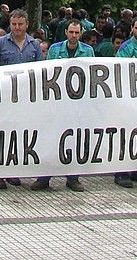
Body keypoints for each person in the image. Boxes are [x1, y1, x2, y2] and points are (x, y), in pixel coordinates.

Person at [32, 19, 93, 192]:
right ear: (66, 32)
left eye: (77, 32)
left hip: (78, 102)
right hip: (57, 101)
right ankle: (45, 177)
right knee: (51, 137)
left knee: (75, 139)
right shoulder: (54, 49)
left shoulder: (88, 51)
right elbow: (48, 73)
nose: (74, 35)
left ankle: (73, 178)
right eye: (71, 32)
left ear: (80, 33)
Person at [0, 9, 44, 189]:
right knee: (1, 135)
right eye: (14, 24)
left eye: (20, 24)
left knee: (20, 135)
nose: (17, 28)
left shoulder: (34, 45)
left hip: (26, 99)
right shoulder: (0, 43)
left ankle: (13, 172)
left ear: (27, 25)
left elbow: (41, 71)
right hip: (4, 98)